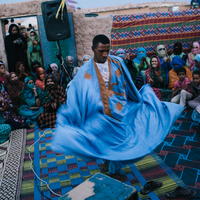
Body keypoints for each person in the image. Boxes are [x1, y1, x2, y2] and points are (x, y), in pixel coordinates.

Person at [51, 34, 183, 178]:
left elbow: (128, 82)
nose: (105, 54)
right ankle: (110, 164)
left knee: (119, 140)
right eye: (101, 51)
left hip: (120, 109)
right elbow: (77, 88)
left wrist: (138, 100)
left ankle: (114, 170)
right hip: (100, 112)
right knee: (104, 139)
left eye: (107, 50)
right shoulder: (86, 70)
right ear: (93, 49)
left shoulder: (118, 62)